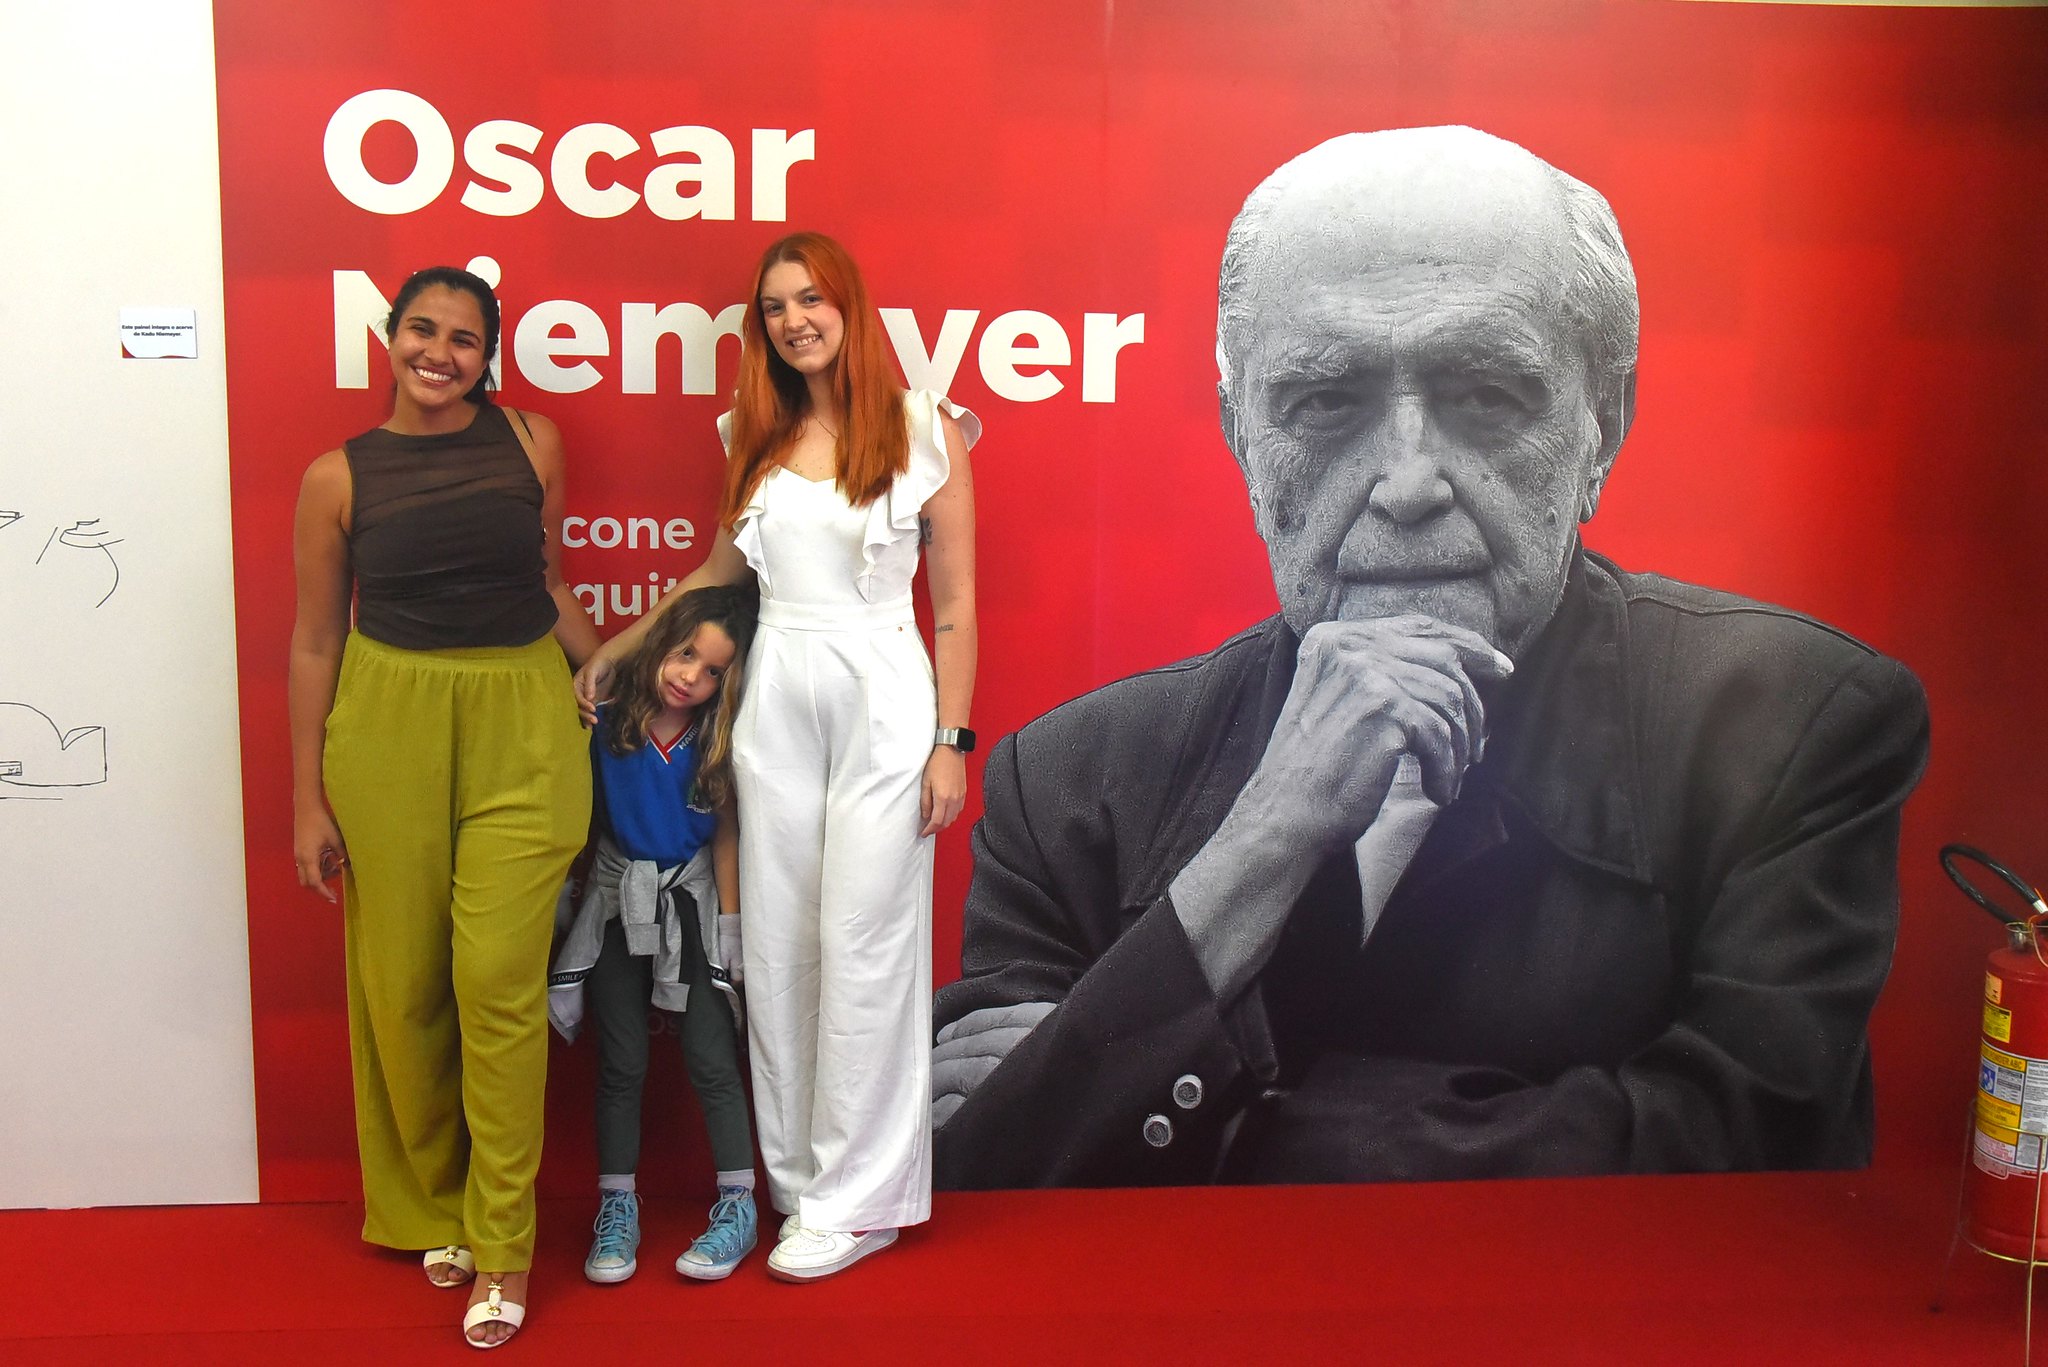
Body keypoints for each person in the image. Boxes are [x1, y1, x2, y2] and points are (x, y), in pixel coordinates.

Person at [931, 126, 1931, 1188]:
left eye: (1485, 395)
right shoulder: (1068, 781)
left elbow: (1743, 1160)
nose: (1406, 484)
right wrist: (1264, 839)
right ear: (1240, 435)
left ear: (1604, 423)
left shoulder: (1785, 723)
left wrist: (1190, 1110)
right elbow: (987, 1169)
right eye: (1326, 401)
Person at [574, 232, 978, 1280]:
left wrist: (950, 741)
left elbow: (956, 605)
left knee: (865, 941)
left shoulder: (926, 428)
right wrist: (621, 646)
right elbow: (716, 573)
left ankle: (863, 1198)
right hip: (776, 694)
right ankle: (801, 1186)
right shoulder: (752, 434)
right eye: (773, 306)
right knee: (780, 946)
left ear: (848, 303)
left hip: (883, 694)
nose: (793, 320)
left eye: (810, 298)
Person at [289, 265, 597, 1347]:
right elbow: (315, 640)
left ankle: (502, 1240)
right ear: (389, 337)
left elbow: (544, 580)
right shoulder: (336, 476)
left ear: (487, 355)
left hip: (522, 721)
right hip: (388, 727)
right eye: (422, 329)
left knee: (495, 979)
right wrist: (305, 800)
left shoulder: (533, 441)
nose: (440, 352)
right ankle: (436, 1205)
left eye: (465, 338)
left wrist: (605, 666)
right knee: (405, 981)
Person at [546, 584, 762, 1284]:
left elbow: (725, 834)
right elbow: (576, 817)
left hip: (691, 903)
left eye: (712, 671)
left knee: (710, 1053)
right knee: (622, 1059)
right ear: (661, 643)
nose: (691, 676)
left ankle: (739, 1204)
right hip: (616, 901)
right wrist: (563, 898)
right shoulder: (606, 718)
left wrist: (730, 926)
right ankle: (617, 1207)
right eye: (686, 653)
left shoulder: (718, 740)